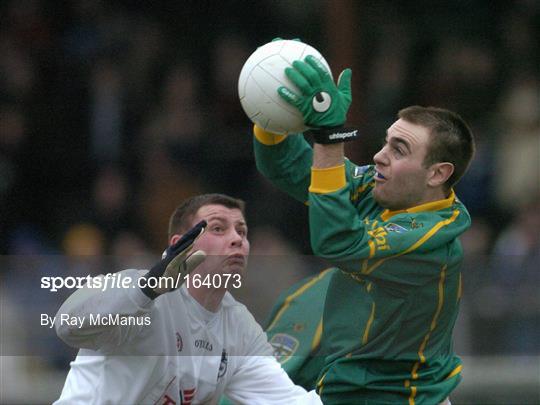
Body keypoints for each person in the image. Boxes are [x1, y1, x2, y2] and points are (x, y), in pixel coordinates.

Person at [252, 55, 475, 404]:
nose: (378, 156)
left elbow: (338, 242)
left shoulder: (431, 241)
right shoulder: (382, 190)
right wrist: (271, 106)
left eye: (398, 150)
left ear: (437, 174)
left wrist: (330, 137)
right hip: (349, 392)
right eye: (386, 142)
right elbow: (289, 167)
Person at [54, 193, 321, 404]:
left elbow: (288, 400)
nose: (236, 239)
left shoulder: (239, 327)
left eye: (242, 231)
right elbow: (66, 325)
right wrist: (146, 289)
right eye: (218, 228)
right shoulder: (138, 289)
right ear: (180, 244)